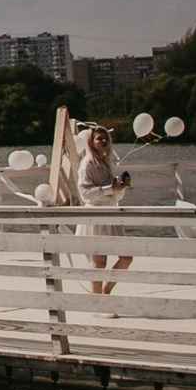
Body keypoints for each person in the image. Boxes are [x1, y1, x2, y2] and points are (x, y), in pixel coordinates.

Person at [78, 123, 134, 294]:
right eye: (99, 138)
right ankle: (97, 300)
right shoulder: (87, 163)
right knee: (99, 260)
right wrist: (110, 189)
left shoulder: (107, 163)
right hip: (95, 215)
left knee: (126, 257)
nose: (103, 141)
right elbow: (85, 193)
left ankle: (105, 291)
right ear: (91, 142)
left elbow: (115, 195)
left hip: (111, 212)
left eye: (106, 138)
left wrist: (120, 187)